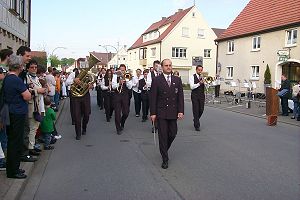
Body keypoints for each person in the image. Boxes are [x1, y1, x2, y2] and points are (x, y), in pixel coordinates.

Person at [150, 59, 184, 169]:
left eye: (170, 65)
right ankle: (165, 158)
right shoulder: (156, 80)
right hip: (161, 112)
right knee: (163, 136)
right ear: (162, 67)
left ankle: (164, 149)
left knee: (173, 133)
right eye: (166, 65)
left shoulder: (177, 80)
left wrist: (181, 111)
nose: (168, 67)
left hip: (173, 112)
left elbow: (180, 97)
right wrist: (153, 113)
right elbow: (153, 98)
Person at [4, 55, 31, 178]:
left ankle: (14, 168)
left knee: (13, 141)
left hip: (12, 112)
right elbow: (27, 96)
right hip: (17, 113)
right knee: (15, 142)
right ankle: (13, 171)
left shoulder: (7, 78)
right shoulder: (15, 79)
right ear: (19, 66)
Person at [26, 60, 46, 156]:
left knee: (35, 126)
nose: (34, 69)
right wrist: (39, 90)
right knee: (32, 128)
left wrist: (43, 90)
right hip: (31, 106)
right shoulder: (27, 78)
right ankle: (30, 147)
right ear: (28, 68)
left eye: (35, 67)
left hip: (38, 105)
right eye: (32, 67)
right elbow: (28, 91)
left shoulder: (36, 78)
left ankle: (32, 145)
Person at [66, 68, 92, 140]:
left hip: (85, 96)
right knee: (77, 115)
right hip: (76, 97)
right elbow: (67, 82)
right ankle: (78, 133)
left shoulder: (88, 74)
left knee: (87, 114)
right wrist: (74, 80)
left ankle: (84, 127)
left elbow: (93, 84)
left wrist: (91, 86)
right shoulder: (73, 73)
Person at [112, 64, 133, 135]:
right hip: (117, 95)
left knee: (126, 113)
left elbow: (130, 87)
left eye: (123, 70)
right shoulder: (115, 75)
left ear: (125, 70)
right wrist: (119, 83)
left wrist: (126, 80)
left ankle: (122, 122)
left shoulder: (127, 75)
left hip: (125, 96)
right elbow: (113, 86)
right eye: (120, 70)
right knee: (117, 113)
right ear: (119, 70)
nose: (122, 72)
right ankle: (118, 128)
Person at [189, 65, 205, 131]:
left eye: (201, 70)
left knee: (201, 109)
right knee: (195, 110)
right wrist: (199, 83)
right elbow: (192, 87)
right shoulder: (192, 76)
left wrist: (206, 83)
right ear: (196, 70)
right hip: (195, 95)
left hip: (201, 95)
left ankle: (196, 119)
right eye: (199, 70)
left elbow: (206, 86)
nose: (200, 71)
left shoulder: (202, 77)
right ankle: (197, 125)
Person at [147, 60, 161, 133]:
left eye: (159, 66)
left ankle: (160, 124)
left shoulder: (162, 73)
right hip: (152, 94)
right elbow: (149, 83)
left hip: (161, 95)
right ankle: (154, 125)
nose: (157, 67)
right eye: (156, 66)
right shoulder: (150, 74)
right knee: (153, 109)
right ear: (153, 66)